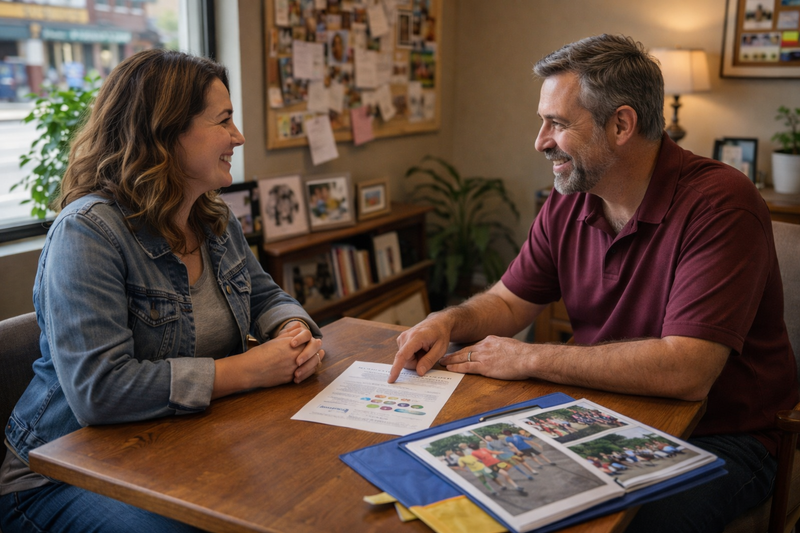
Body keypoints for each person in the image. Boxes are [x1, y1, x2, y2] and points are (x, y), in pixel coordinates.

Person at [388, 34, 798, 532]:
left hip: (726, 437)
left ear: (622, 124)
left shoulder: (722, 204)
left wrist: (531, 357)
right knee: (463, 487)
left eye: (557, 123)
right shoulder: (571, 194)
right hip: (600, 417)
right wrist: (447, 320)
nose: (539, 141)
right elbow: (508, 302)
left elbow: (687, 371)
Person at [0, 49, 325, 533]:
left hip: (175, 448)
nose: (238, 137)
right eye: (224, 121)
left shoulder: (212, 216)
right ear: (166, 132)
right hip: (59, 476)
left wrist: (292, 329)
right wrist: (248, 370)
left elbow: (264, 297)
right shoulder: (87, 234)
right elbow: (100, 391)